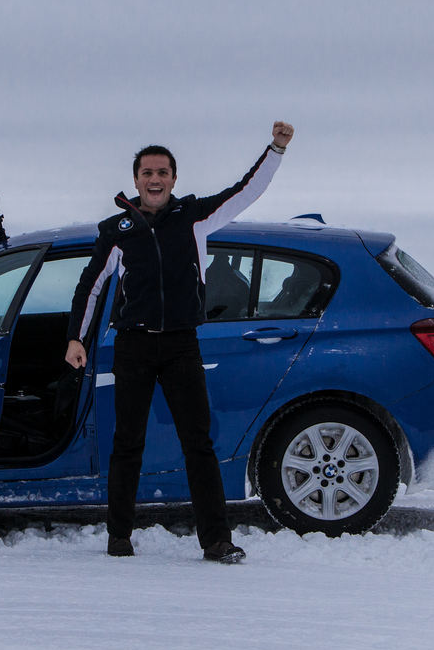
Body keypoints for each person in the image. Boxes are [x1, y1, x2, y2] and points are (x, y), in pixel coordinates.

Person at [65, 121, 295, 563]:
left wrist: (276, 149)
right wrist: (76, 338)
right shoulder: (117, 229)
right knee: (127, 443)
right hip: (133, 346)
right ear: (136, 180)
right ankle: (119, 536)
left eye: (162, 173)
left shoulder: (194, 217)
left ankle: (216, 540)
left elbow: (246, 191)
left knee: (198, 444)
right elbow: (90, 286)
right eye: (147, 173)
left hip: (181, 346)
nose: (155, 180)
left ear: (173, 179)